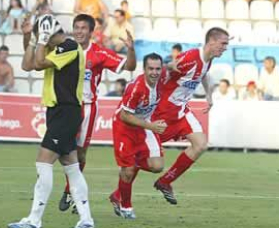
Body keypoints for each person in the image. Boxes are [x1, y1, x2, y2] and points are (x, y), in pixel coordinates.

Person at [21, 13, 137, 213]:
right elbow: (32, 61)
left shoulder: (100, 53)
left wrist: (131, 50)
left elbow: (128, 66)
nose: (79, 31)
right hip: (64, 106)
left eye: (84, 28)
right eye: (77, 27)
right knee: (67, 153)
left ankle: (68, 193)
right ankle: (78, 207)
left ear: (92, 32)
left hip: (87, 106)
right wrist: (29, 36)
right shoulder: (63, 47)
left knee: (78, 152)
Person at [10, 14, 94, 228]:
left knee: (43, 161)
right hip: (59, 112)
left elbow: (38, 64)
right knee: (71, 166)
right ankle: (86, 220)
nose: (41, 39)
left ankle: (34, 220)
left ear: (48, 33)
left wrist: (39, 40)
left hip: (66, 111)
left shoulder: (70, 46)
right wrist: (29, 38)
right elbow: (27, 65)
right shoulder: (55, 48)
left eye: (41, 34)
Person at [151, 27, 229, 205]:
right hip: (164, 111)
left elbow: (203, 74)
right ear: (211, 42)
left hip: (181, 110)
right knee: (145, 156)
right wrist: (169, 66)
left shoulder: (207, 59)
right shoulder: (191, 57)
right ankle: (120, 194)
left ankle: (165, 181)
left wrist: (209, 95)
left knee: (201, 144)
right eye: (223, 43)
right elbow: (164, 69)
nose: (225, 48)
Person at [108, 53, 166, 219]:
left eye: (157, 68)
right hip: (124, 127)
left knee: (157, 166)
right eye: (150, 69)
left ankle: (117, 192)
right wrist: (151, 126)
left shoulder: (162, 80)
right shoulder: (136, 88)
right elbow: (125, 116)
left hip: (144, 123)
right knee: (128, 170)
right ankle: (126, 206)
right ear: (144, 69)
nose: (154, 72)